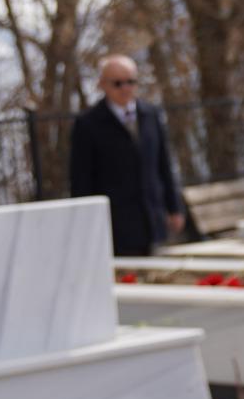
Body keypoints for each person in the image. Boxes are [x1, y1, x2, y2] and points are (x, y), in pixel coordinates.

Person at [68, 55, 188, 256]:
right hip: (116, 225)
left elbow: (164, 165)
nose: (125, 88)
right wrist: (87, 222)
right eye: (117, 83)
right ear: (102, 84)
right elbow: (81, 179)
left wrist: (174, 208)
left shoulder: (151, 114)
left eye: (131, 82)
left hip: (154, 219)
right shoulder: (88, 123)